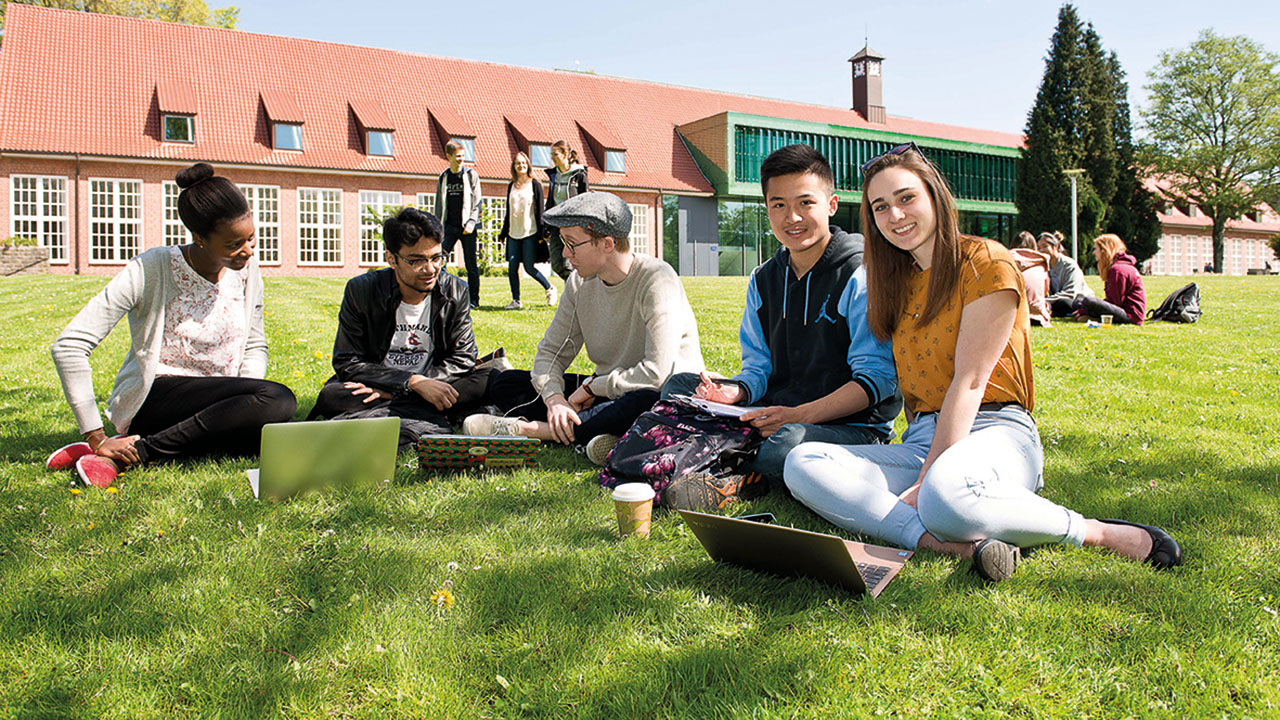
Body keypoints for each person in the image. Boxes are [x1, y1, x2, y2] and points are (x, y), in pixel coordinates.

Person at [784, 144, 1181, 581]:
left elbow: (970, 384)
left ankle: (1092, 532)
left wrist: (929, 477)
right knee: (803, 463)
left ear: (935, 197)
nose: (895, 215)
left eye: (906, 198)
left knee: (944, 495)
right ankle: (942, 542)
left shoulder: (985, 261)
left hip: (998, 432)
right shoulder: (896, 283)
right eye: (880, 207)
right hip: (922, 439)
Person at [659, 144, 900, 507]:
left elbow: (876, 380)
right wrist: (736, 393)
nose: (792, 218)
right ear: (767, 209)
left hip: (850, 427)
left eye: (806, 203)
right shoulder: (764, 279)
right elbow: (758, 368)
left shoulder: (860, 273)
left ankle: (731, 473)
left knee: (786, 443)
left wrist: (796, 416)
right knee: (679, 386)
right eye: (779, 205)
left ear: (831, 205)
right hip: (776, 411)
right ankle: (719, 459)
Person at [48, 163, 296, 488]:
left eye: (251, 238)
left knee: (271, 428)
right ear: (200, 238)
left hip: (216, 404)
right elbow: (69, 346)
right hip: (157, 396)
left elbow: (254, 343)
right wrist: (95, 433)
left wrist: (243, 403)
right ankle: (136, 451)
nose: (247, 251)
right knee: (279, 399)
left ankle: (126, 453)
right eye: (234, 244)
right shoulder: (152, 268)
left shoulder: (248, 271)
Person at [464, 192, 704, 464]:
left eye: (572, 244)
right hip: (603, 394)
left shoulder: (657, 279)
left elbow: (657, 374)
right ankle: (599, 433)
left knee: (642, 403)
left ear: (608, 244)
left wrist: (592, 388)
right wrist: (555, 399)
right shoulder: (579, 284)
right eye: (563, 243)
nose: (565, 253)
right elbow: (550, 353)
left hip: (661, 395)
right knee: (507, 383)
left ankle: (532, 430)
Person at [308, 207, 493, 447]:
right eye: (416, 260)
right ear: (391, 259)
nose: (430, 269)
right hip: (381, 383)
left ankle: (386, 414)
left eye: (436, 258)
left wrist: (414, 387)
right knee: (332, 396)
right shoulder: (362, 291)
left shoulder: (456, 291)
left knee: (489, 379)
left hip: (429, 383)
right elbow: (347, 361)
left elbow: (463, 358)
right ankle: (430, 414)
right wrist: (411, 383)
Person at [499, 152, 557, 310]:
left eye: (523, 163)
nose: (521, 166)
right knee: (512, 268)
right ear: (514, 166)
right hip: (513, 233)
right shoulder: (511, 185)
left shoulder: (535, 184)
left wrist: (542, 233)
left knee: (529, 268)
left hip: (530, 233)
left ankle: (549, 288)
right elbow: (508, 211)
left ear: (528, 165)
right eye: (518, 163)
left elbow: (540, 210)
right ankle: (516, 300)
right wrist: (503, 233)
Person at [435, 140, 483, 309]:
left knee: (471, 265)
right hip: (449, 226)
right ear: (448, 157)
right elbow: (439, 205)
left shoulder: (471, 175)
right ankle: (442, 296)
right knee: (440, 261)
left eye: (463, 156)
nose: (461, 159)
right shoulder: (444, 177)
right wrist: (437, 226)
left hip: (467, 228)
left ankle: (474, 300)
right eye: (457, 157)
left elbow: (477, 202)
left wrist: (471, 221)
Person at [1073, 234, 1147, 325]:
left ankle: (1093, 318)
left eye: (1096, 249)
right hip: (1125, 312)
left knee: (1089, 301)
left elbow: (1115, 302)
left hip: (1131, 316)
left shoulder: (1117, 270)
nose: (1094, 252)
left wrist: (1084, 310)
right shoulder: (1116, 267)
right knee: (1079, 301)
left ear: (1104, 251)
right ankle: (1092, 317)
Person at [544, 140, 589, 280]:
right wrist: (546, 224)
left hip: (573, 225)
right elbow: (551, 201)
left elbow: (585, 200)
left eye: (555, 154)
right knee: (557, 264)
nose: (552, 157)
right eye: (551, 154)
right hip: (556, 224)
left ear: (565, 154)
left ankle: (575, 293)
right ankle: (574, 287)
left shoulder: (579, 175)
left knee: (572, 261)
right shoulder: (553, 176)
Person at [1037, 231, 1094, 317]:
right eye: (1038, 248)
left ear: (1055, 247)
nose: (1041, 251)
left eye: (1045, 247)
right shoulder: (1045, 266)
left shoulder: (1069, 265)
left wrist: (1044, 301)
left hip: (1076, 300)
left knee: (1063, 303)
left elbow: (1070, 293)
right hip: (1058, 300)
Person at [1010, 231, 1052, 326]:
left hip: (1012, 314)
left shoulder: (1006, 259)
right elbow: (1045, 291)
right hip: (1036, 314)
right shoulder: (1041, 262)